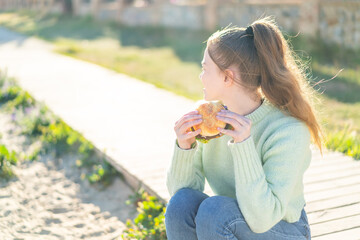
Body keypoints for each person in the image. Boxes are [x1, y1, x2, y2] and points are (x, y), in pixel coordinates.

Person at [165, 16, 323, 240]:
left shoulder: (288, 131)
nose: (200, 76)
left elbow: (262, 219)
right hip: (231, 220)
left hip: (282, 229)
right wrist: (184, 147)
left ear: (228, 77)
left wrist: (243, 145)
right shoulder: (212, 122)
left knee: (215, 210)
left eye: (205, 69)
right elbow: (181, 193)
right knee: (181, 204)